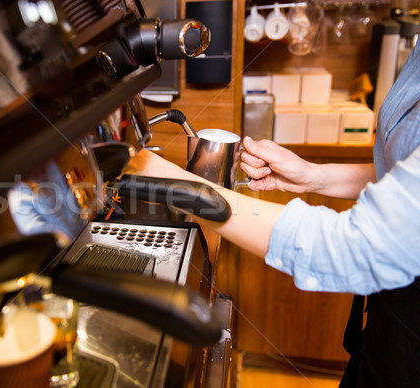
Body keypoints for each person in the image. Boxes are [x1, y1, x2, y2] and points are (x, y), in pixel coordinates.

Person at [125, 41, 420, 387]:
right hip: (388, 308)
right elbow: (403, 176)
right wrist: (314, 176)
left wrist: (169, 179)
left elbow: (359, 246)